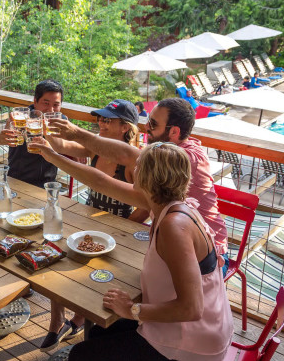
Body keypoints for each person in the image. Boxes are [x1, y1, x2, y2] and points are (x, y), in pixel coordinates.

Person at [67, 143, 234, 361]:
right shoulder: (174, 206)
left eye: (137, 165)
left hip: (194, 346)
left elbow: (191, 308)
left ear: (144, 178)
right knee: (98, 336)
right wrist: (50, 154)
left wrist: (133, 309)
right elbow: (101, 181)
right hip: (205, 329)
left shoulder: (174, 226)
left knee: (83, 358)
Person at [43, 98, 229, 262]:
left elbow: (125, 158)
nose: (146, 127)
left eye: (153, 124)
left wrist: (77, 134)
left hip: (208, 254)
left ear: (174, 132)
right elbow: (110, 172)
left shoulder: (183, 159)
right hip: (175, 241)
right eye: (148, 121)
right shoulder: (168, 151)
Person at [38, 99, 142, 351]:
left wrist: (119, 230)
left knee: (93, 275)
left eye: (108, 120)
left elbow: (145, 207)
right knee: (52, 248)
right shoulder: (96, 149)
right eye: (100, 119)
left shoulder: (132, 161)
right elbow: (63, 145)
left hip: (118, 230)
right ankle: (56, 320)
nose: (101, 124)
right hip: (88, 221)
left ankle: (80, 319)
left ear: (125, 128)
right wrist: (44, 129)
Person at [7, 80, 66, 187]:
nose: (51, 110)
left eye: (56, 105)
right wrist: (10, 126)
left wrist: (76, 153)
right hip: (17, 181)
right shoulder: (20, 118)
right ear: (35, 101)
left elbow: (66, 146)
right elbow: (9, 134)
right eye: (46, 103)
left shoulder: (61, 121)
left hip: (47, 184)